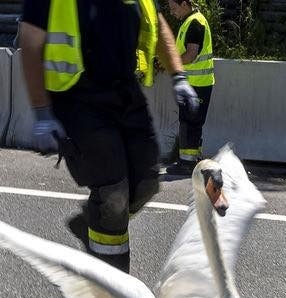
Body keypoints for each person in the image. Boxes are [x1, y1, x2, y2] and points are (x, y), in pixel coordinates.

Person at [18, 0, 200, 273]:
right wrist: (42, 113)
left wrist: (178, 76)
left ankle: (94, 221)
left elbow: (157, 22)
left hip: (126, 95)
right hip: (78, 99)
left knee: (147, 183)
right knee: (113, 194)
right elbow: (30, 41)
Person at [165, 0, 215, 175]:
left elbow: (191, 54)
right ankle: (191, 160)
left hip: (198, 84)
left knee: (190, 123)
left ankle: (187, 164)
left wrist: (172, 62)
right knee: (189, 121)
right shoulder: (190, 21)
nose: (171, 12)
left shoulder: (195, 23)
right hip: (195, 83)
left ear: (184, 4)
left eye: (173, 8)